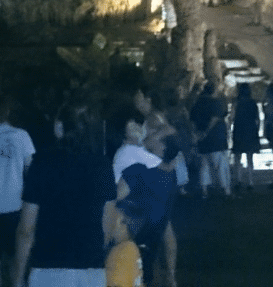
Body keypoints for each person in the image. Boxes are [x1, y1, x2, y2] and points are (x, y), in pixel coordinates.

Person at [13, 104, 117, 287]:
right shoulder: (103, 166)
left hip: (48, 268)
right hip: (90, 269)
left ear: (59, 126)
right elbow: (107, 228)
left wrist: (18, 276)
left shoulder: (41, 164)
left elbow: (26, 229)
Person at [0, 96, 36, 287]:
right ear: (8, 112)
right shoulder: (21, 136)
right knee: (17, 259)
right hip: (15, 205)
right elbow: (30, 169)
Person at [117, 138, 181, 287]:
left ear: (162, 149)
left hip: (133, 227)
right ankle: (171, 278)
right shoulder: (171, 175)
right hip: (157, 227)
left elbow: (117, 196)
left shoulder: (138, 170)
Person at [189, 82, 231, 198]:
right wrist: (206, 132)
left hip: (202, 140)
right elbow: (215, 119)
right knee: (221, 164)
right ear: (213, 91)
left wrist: (197, 134)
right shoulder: (215, 103)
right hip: (216, 138)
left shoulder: (197, 104)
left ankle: (204, 190)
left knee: (204, 165)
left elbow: (192, 121)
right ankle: (226, 189)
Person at [105, 198, 145, 287]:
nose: (112, 224)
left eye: (114, 218)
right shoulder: (131, 249)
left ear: (124, 224)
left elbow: (117, 284)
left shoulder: (123, 250)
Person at [230, 83, 260, 192]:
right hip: (250, 131)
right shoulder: (253, 103)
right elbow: (257, 119)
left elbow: (232, 117)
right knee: (249, 157)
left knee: (237, 157)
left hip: (239, 131)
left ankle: (239, 180)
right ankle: (250, 182)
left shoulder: (236, 103)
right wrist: (256, 131)